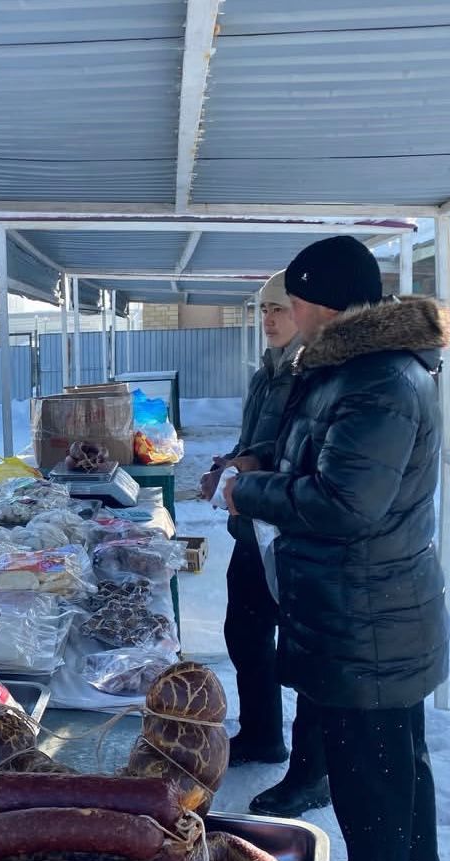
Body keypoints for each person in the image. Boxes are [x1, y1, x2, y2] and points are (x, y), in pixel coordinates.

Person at [224, 235, 449, 861]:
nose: (286, 316)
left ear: (321, 305)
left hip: (369, 622)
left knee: (376, 797)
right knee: (393, 786)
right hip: (356, 615)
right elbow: (320, 457)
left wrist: (249, 491)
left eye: (291, 303)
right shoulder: (348, 371)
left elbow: (345, 503)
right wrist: (261, 461)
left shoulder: (380, 380)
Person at [200, 271, 330, 815]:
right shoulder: (266, 375)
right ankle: (261, 732)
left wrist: (249, 473)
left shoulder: (316, 374)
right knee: (245, 631)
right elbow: (257, 443)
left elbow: (304, 459)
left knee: (305, 655)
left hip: (296, 533)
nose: (271, 319)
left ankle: (311, 773)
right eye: (264, 310)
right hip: (254, 526)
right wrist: (230, 464)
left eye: (280, 308)